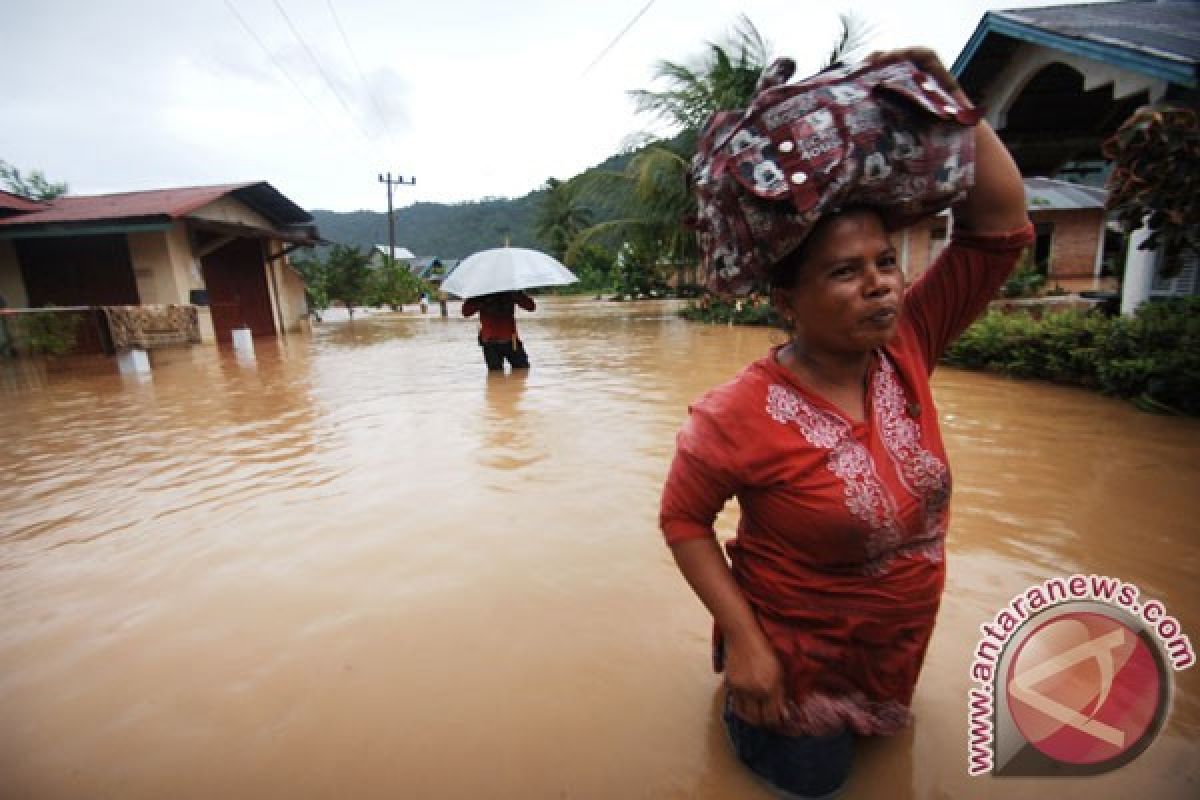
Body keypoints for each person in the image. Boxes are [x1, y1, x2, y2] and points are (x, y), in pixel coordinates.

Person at [658, 48, 1032, 798]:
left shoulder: (909, 345)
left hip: (894, 651)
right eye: (844, 271)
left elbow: (998, 223)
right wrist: (747, 644)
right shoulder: (736, 413)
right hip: (790, 668)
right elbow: (683, 521)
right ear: (788, 300)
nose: (880, 286)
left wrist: (951, 99)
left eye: (885, 262)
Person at [462, 290, 536, 371]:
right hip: (491, 342)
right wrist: (484, 301)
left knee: (522, 370)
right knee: (497, 374)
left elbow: (531, 307)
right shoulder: (480, 294)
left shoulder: (510, 291)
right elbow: (466, 312)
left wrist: (516, 295)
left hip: (510, 340)